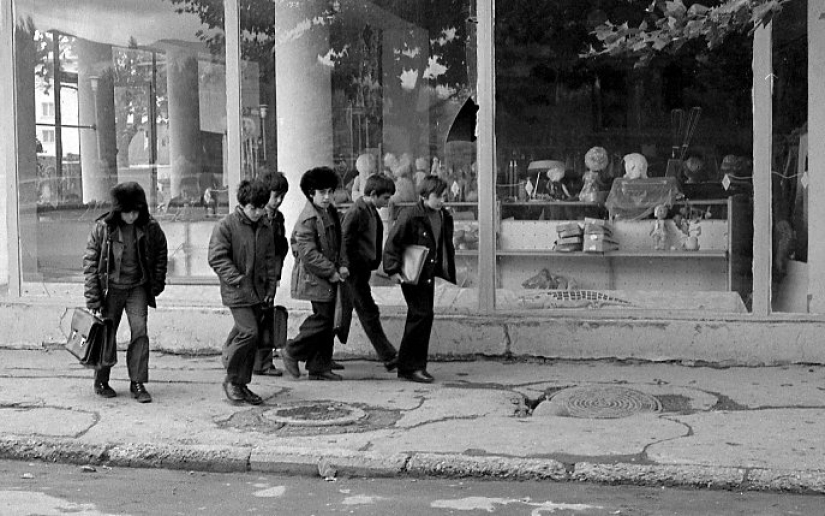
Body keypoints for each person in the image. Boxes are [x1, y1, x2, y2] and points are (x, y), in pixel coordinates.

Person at [83, 182, 168, 403]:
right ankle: (101, 379)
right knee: (106, 334)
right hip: (111, 290)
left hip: (137, 287)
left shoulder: (150, 227)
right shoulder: (103, 228)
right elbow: (91, 262)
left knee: (140, 331)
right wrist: (93, 296)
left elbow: (160, 252)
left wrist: (157, 281)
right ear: (118, 209)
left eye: (136, 210)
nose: (132, 216)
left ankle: (137, 382)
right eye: (127, 211)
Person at [208, 179, 278, 405]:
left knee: (251, 337)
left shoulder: (266, 226)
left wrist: (270, 287)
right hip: (236, 290)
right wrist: (237, 279)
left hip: (258, 291)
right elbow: (217, 258)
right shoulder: (226, 225)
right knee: (249, 332)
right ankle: (231, 375)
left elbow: (269, 259)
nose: (257, 213)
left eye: (261, 207)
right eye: (252, 208)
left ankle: (241, 384)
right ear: (242, 204)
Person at [382, 176, 456, 383]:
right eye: (437, 196)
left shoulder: (443, 216)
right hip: (412, 274)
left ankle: (411, 365)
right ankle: (412, 367)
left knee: (423, 316)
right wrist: (392, 270)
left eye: (444, 196)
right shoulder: (411, 215)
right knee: (420, 315)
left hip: (427, 274)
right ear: (424, 196)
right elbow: (393, 242)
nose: (442, 200)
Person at [281, 166, 348, 381]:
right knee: (323, 319)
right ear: (311, 194)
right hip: (315, 278)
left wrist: (343, 265)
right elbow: (308, 254)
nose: (327, 197)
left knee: (327, 320)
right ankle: (292, 350)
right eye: (322, 192)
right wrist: (331, 272)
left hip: (326, 275)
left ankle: (319, 365)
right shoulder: (308, 219)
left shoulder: (328, 212)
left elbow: (339, 241)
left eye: (330, 191)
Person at [340, 174, 398, 371]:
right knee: (368, 313)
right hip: (353, 273)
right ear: (373, 194)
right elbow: (344, 242)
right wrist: (347, 267)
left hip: (361, 271)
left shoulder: (370, 210)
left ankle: (316, 358)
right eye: (385, 197)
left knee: (341, 318)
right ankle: (389, 357)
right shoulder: (356, 212)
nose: (387, 201)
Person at [251, 170, 290, 377]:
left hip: (272, 273)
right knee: (258, 320)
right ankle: (259, 362)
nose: (279, 201)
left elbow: (279, 250)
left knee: (266, 318)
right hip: (259, 275)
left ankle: (263, 362)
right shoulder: (260, 217)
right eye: (275, 196)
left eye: (282, 196)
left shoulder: (278, 218)